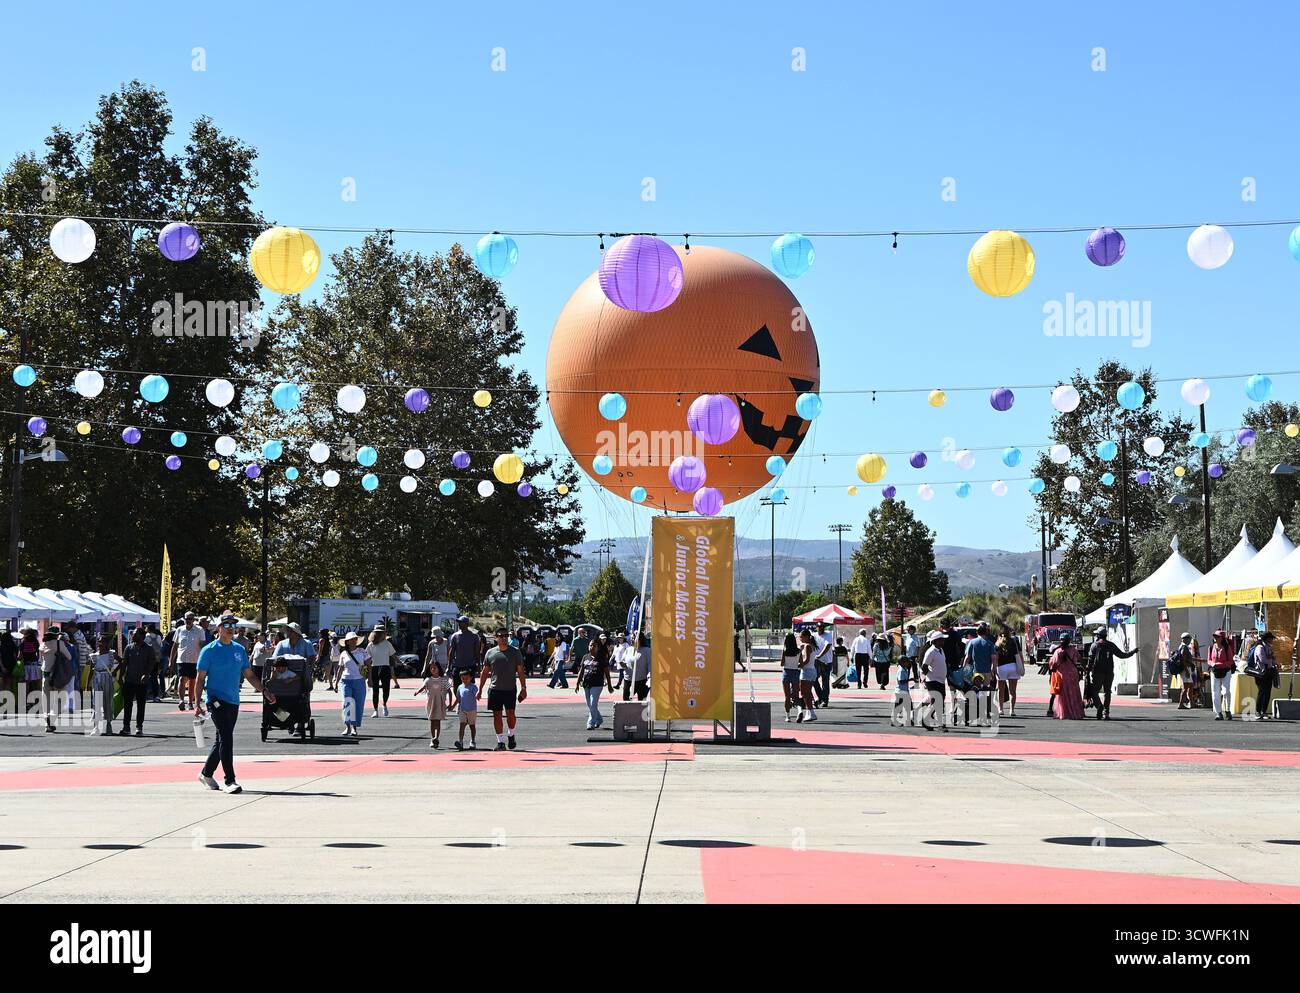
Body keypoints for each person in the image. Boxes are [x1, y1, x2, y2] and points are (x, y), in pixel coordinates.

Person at [195, 614, 276, 793]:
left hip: (233, 700)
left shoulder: (239, 650)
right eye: (227, 625)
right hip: (215, 700)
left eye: (233, 625)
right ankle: (229, 780)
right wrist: (197, 703)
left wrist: (264, 691)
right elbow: (200, 679)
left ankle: (206, 773)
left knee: (221, 739)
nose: (231, 628)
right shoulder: (209, 650)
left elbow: (250, 675)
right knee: (226, 738)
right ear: (218, 628)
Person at [479, 627, 527, 750]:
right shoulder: (490, 653)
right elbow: (484, 672)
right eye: (501, 636)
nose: (504, 638)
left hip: (510, 689)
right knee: (497, 715)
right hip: (495, 689)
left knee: (511, 714)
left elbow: (521, 671)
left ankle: (511, 734)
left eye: (506, 636)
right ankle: (500, 742)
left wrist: (523, 687)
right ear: (496, 638)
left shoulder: (515, 652)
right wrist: (480, 690)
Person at [1085, 627, 1136, 721]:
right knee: (1107, 691)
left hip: (1097, 672)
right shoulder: (1111, 645)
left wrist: (1088, 670)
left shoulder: (1094, 645)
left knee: (1094, 691)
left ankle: (1099, 705)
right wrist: (1133, 652)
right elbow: (1122, 655)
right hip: (1109, 672)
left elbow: (1090, 659)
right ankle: (1106, 712)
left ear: (1098, 635)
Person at [116, 627, 156, 736]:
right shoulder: (129, 648)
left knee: (141, 705)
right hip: (129, 681)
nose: (132, 636)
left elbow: (151, 663)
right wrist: (120, 677)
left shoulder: (149, 649)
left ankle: (139, 727)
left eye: (135, 634)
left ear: (142, 636)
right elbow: (124, 664)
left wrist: (146, 674)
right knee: (128, 705)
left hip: (142, 683)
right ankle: (126, 727)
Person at [170, 612, 206, 711]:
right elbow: (175, 645)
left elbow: (203, 646)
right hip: (182, 659)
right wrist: (171, 660)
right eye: (187, 619)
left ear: (193, 620)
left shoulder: (199, 630)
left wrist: (205, 659)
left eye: (190, 619)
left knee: (192, 681)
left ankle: (190, 701)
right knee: (181, 679)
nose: (188, 620)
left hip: (195, 660)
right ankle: (181, 700)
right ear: (184, 619)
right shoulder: (179, 630)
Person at [576, 637, 614, 731]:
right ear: (588, 647)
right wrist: (577, 683)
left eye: (594, 645)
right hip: (586, 684)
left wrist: (609, 685)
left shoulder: (601, 658)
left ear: (598, 647)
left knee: (593, 703)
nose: (592, 647)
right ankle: (599, 719)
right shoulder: (585, 657)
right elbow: (581, 671)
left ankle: (591, 723)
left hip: (597, 684)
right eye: (590, 645)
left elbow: (607, 672)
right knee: (590, 704)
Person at [39, 630, 74, 732]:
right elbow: (69, 657)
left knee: (46, 700)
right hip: (58, 675)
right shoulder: (60, 644)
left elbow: (41, 659)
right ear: (56, 635)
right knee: (61, 699)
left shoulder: (43, 645)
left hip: (46, 674)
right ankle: (52, 717)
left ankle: (47, 724)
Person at [963, 622, 997, 725]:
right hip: (986, 672)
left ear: (977, 632)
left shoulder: (972, 643)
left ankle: (973, 713)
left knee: (975, 693)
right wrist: (993, 672)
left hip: (975, 672)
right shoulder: (990, 643)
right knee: (984, 693)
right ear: (986, 632)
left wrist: (963, 670)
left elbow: (967, 658)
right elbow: (994, 659)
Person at [413, 659, 452, 748]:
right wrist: (417, 692)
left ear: (439, 669)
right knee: (432, 721)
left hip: (439, 703)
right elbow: (423, 687)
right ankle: (432, 738)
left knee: (437, 721)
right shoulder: (428, 680)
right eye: (431, 668)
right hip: (431, 703)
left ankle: (436, 738)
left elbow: (449, 691)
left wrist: (450, 703)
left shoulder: (443, 680)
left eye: (435, 668)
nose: (433, 669)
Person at [336, 632, 368, 736]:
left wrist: (370, 679)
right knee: (347, 703)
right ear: (347, 642)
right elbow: (340, 668)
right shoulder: (343, 654)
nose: (353, 641)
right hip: (346, 681)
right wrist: (336, 682)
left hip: (359, 681)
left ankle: (354, 728)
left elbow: (369, 665)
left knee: (358, 704)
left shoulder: (362, 652)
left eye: (355, 639)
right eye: (351, 639)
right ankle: (348, 727)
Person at [1047, 632, 1085, 720]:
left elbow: (1053, 665)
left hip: (1062, 675)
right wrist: (1085, 669)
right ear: (1069, 641)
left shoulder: (1058, 652)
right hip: (1073, 674)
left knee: (1063, 695)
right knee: (1074, 694)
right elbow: (1081, 659)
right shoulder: (1073, 650)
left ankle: (1064, 712)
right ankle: (1076, 712)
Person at [87, 635, 118, 736]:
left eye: (103, 642)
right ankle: (96, 727)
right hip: (97, 678)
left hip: (107, 677)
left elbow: (122, 661)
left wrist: (116, 671)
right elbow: (91, 671)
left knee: (108, 701)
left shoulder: (111, 654)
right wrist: (88, 684)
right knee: (97, 702)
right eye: (99, 642)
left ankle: (109, 724)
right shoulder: (94, 656)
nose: (100, 644)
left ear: (107, 644)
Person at [366, 625, 400, 717]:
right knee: (375, 690)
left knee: (386, 689)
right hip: (374, 668)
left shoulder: (387, 643)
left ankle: (384, 704)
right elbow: (367, 658)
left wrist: (400, 662)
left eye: (384, 632)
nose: (384, 634)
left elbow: (393, 655)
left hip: (385, 667)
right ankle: (375, 710)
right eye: (382, 632)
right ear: (376, 633)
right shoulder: (371, 644)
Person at [1246, 631, 1279, 720]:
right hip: (1261, 673)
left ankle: (1263, 712)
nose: (1272, 640)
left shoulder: (1268, 647)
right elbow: (1263, 659)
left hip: (1269, 672)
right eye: (1271, 638)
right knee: (1261, 692)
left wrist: (1273, 660)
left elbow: (1273, 659)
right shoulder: (1260, 647)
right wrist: (1271, 659)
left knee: (1267, 692)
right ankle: (1257, 711)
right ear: (1267, 638)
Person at [919, 630, 948, 731]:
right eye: (941, 640)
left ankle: (928, 720)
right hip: (933, 681)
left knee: (939, 702)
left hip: (940, 681)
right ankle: (936, 723)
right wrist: (925, 679)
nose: (943, 641)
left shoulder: (941, 650)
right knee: (937, 701)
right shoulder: (931, 651)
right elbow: (924, 666)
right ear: (936, 641)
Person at [448, 616, 485, 691]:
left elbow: (477, 653)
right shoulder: (455, 636)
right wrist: (449, 666)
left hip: (470, 666)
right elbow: (451, 652)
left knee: (469, 687)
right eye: (459, 622)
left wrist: (478, 667)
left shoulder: (474, 637)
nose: (459, 624)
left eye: (461, 623)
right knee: (456, 687)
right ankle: (459, 701)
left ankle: (467, 702)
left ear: (467, 624)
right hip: (457, 666)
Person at [995, 629, 1024, 717]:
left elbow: (996, 658)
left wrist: (994, 669)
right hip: (1013, 667)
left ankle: (1001, 709)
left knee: (1001, 690)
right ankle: (1012, 710)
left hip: (1001, 667)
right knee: (1013, 690)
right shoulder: (1014, 642)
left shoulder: (997, 644)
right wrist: (1022, 665)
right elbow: (1019, 654)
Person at [1207, 629, 1236, 721]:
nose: (1215, 638)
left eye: (1217, 636)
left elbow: (1231, 661)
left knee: (1226, 691)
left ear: (1222, 638)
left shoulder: (1227, 648)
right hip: (1215, 671)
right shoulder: (1211, 647)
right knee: (1215, 692)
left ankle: (1227, 710)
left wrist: (1221, 664)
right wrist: (1213, 664)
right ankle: (1218, 712)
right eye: (1214, 636)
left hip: (1225, 671)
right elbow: (1209, 660)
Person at [796, 628, 818, 723]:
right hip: (811, 670)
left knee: (805, 693)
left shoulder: (808, 646)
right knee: (807, 693)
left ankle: (811, 713)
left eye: (801, 636)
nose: (800, 638)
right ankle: (809, 712)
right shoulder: (809, 646)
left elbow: (807, 660)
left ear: (806, 637)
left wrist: (799, 665)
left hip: (807, 671)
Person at [1172, 633, 1199, 710]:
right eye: (1188, 639)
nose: (1189, 640)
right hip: (1185, 669)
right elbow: (1183, 660)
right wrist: (1187, 670)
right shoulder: (1184, 647)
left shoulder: (1183, 647)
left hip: (1187, 668)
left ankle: (1191, 703)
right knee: (1186, 687)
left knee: (1190, 685)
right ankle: (1181, 704)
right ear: (1184, 639)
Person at [454, 671, 479, 749]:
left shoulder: (473, 687)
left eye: (466, 678)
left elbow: (476, 693)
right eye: (463, 678)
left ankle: (473, 741)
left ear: (471, 678)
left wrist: (478, 695)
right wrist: (453, 706)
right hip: (462, 709)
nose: (465, 680)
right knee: (462, 725)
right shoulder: (460, 687)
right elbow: (458, 698)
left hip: (471, 709)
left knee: (472, 726)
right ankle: (460, 742)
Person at [812, 623, 833, 706]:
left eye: (822, 627)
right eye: (819, 627)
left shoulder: (828, 635)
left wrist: (820, 655)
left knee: (825, 681)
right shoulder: (813, 636)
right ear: (816, 627)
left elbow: (827, 646)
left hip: (826, 662)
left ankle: (825, 700)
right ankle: (821, 697)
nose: (821, 628)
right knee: (814, 679)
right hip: (816, 661)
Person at [628, 633, 651, 701]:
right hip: (630, 680)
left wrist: (649, 677)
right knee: (626, 701)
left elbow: (650, 664)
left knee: (642, 701)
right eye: (631, 638)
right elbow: (625, 661)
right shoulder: (629, 649)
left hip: (643, 680)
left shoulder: (647, 650)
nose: (631, 639)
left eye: (633, 638)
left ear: (639, 639)